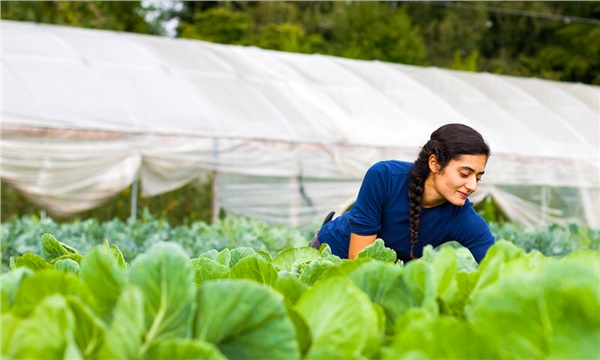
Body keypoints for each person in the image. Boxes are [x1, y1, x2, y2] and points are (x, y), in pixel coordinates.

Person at [310, 123, 495, 264]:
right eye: (464, 174)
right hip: (329, 255)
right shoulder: (385, 176)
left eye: (478, 177)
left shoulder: (461, 216)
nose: (472, 186)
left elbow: (498, 265)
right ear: (434, 163)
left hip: (382, 274)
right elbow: (359, 261)